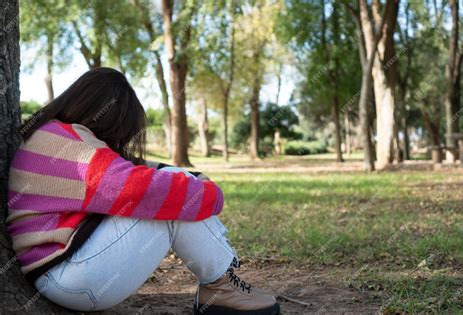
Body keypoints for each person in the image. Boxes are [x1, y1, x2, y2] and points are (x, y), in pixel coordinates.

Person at [7, 67, 280, 314]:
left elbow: (135, 168)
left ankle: (222, 282)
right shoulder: (62, 142)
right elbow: (138, 188)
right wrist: (210, 193)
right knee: (169, 195)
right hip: (69, 278)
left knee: (173, 184)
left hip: (67, 275)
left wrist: (193, 179)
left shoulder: (53, 136)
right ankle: (220, 286)